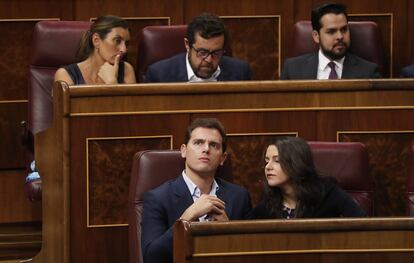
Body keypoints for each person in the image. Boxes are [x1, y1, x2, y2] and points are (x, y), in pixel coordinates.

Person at [141, 118, 252, 263]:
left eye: (214, 145)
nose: (206, 149)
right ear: (184, 151)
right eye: (198, 142)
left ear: (223, 158)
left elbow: (250, 254)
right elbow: (152, 257)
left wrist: (227, 229)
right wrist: (187, 218)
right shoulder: (157, 198)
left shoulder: (239, 197)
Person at [250, 137, 366, 219]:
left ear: (296, 163)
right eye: (266, 161)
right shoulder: (267, 203)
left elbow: (362, 224)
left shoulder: (327, 193)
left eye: (277, 161)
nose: (268, 167)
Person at [280, 2, 381, 80]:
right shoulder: (292, 70)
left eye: (344, 29)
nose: (340, 36)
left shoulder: (369, 72)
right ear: (316, 36)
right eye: (331, 31)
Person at [145, 12, 252, 82]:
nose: (209, 60)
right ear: (187, 45)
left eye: (216, 53)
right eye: (202, 52)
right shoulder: (159, 75)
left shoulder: (240, 73)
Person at [54, 15, 136, 85]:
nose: (124, 50)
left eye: (126, 44)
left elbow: (131, 104)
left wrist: (112, 83)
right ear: (96, 40)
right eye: (117, 41)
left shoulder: (126, 70)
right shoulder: (65, 75)